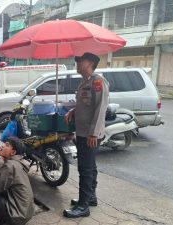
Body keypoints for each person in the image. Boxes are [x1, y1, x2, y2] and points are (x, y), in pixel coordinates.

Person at [64, 52, 109, 218]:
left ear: (89, 63)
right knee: (90, 166)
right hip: (82, 132)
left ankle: (83, 206)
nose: (77, 63)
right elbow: (85, 105)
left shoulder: (98, 81)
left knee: (85, 168)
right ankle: (90, 197)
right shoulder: (85, 83)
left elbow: (100, 108)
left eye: (79, 61)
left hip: (90, 134)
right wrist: (72, 110)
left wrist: (94, 134)